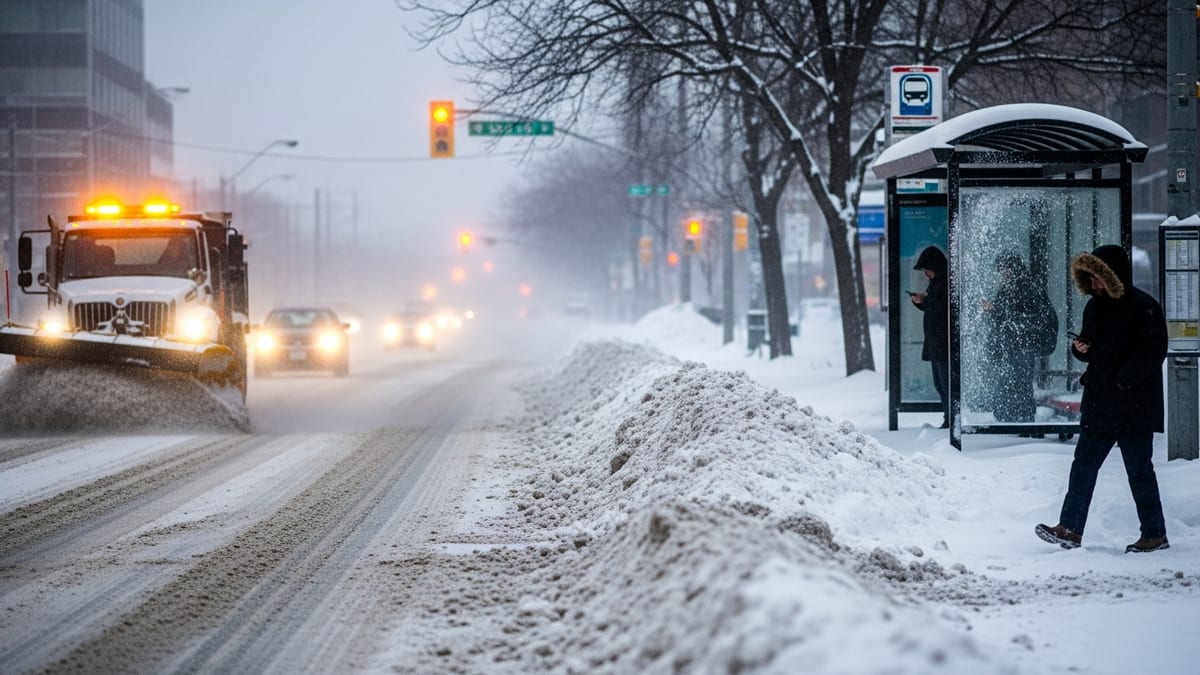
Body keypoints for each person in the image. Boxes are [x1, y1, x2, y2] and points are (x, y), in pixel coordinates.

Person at [1036, 244, 1169, 554]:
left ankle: (1154, 533)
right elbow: (1091, 347)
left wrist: (1123, 380)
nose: (1094, 285)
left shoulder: (1143, 306)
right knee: (1083, 465)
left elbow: (1154, 350)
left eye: (1098, 278)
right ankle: (1069, 529)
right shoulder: (1094, 307)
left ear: (1112, 276)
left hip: (1134, 406)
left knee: (1139, 471)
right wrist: (1080, 349)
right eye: (1091, 279)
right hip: (1100, 403)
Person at [981, 253, 1040, 423]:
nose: (1003, 273)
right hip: (1010, 345)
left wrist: (994, 310)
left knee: (1019, 384)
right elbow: (1005, 317)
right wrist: (993, 311)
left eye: (1005, 269)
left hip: (1020, 345)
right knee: (1010, 382)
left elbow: (1019, 316)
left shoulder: (1025, 287)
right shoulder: (1010, 287)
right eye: (1001, 270)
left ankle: (1023, 421)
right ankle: (1012, 419)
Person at [909, 246, 949, 428]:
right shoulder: (937, 283)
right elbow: (935, 308)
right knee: (940, 384)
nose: (926, 275)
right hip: (936, 341)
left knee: (946, 384)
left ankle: (951, 419)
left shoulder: (946, 282)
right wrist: (922, 302)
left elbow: (943, 308)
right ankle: (948, 418)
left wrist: (925, 300)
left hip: (944, 342)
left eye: (927, 271)